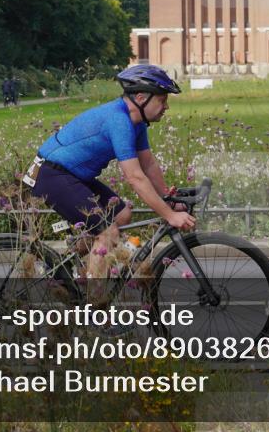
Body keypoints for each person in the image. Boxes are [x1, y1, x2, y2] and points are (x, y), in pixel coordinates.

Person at [28, 64, 196, 281]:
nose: (166, 107)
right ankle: (94, 304)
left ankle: (65, 270)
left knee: (122, 214)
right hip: (52, 174)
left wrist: (167, 198)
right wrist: (170, 215)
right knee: (107, 233)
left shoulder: (137, 124)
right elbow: (135, 177)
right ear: (141, 97)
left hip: (72, 174)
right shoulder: (119, 121)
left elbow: (148, 165)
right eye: (162, 100)